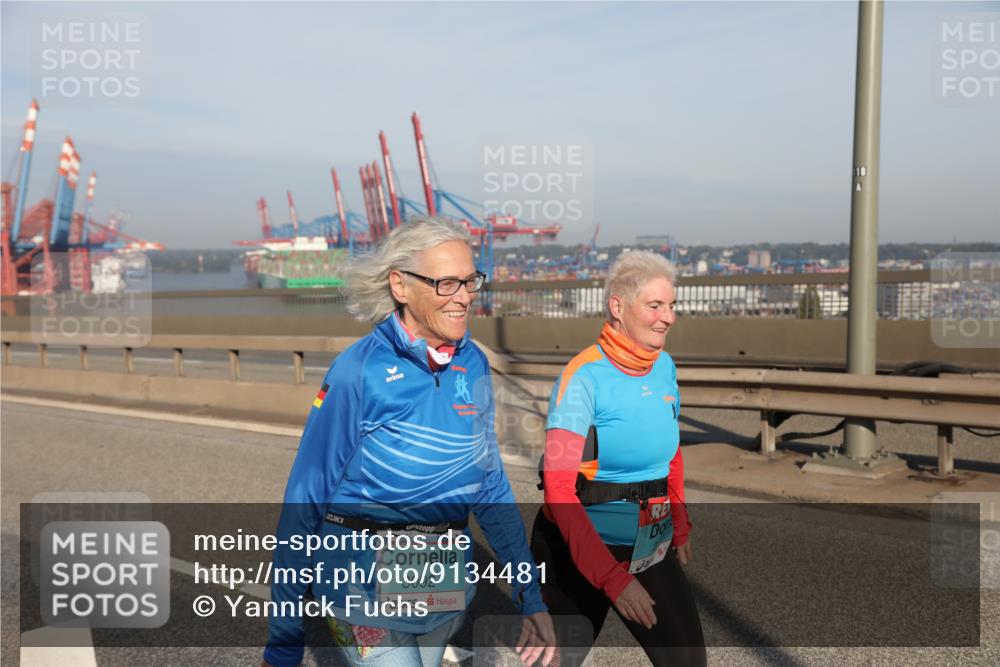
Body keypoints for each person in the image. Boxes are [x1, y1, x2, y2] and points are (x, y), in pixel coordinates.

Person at [263, 218, 556, 667]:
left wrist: (529, 596)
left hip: (442, 584)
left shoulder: (472, 363)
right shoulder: (358, 371)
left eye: (469, 280)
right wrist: (283, 640)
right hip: (358, 581)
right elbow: (307, 495)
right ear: (400, 285)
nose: (463, 296)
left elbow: (489, 486)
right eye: (445, 283)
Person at [531, 250, 706, 666]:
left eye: (672, 306)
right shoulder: (582, 377)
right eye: (655, 306)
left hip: (648, 544)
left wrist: (679, 525)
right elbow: (558, 489)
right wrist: (612, 579)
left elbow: (671, 454)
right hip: (578, 549)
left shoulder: (664, 366)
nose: (668, 317)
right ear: (617, 307)